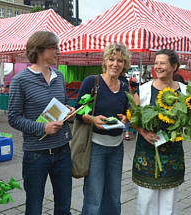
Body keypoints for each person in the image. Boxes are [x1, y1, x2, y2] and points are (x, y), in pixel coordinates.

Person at [8, 31, 75, 215]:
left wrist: (68, 112)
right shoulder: (19, 81)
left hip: (62, 151)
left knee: (63, 206)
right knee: (34, 208)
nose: (58, 51)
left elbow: (63, 103)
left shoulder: (59, 76)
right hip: (36, 155)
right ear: (40, 50)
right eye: (54, 47)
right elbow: (13, 117)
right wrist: (42, 128)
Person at [75, 43, 130, 215]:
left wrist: (125, 117)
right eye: (111, 59)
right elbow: (78, 110)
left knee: (113, 197)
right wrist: (92, 119)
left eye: (120, 60)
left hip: (117, 147)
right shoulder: (93, 81)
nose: (115, 64)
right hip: (95, 147)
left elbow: (127, 110)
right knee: (94, 197)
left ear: (124, 63)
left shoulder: (124, 85)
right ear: (105, 61)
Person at [132, 49, 186, 215]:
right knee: (146, 200)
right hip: (147, 153)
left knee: (169, 203)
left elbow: (190, 118)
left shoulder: (185, 91)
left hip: (173, 154)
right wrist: (143, 132)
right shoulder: (143, 90)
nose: (157, 67)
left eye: (162, 63)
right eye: (156, 63)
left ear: (174, 66)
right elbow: (133, 118)